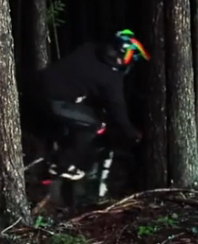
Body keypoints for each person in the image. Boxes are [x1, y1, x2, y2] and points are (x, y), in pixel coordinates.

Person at [21, 29, 150, 181]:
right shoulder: (112, 78)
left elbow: (82, 77)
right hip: (54, 101)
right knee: (94, 125)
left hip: (36, 86)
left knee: (72, 117)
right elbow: (117, 109)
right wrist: (131, 132)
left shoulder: (89, 48)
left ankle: (46, 150)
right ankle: (62, 165)